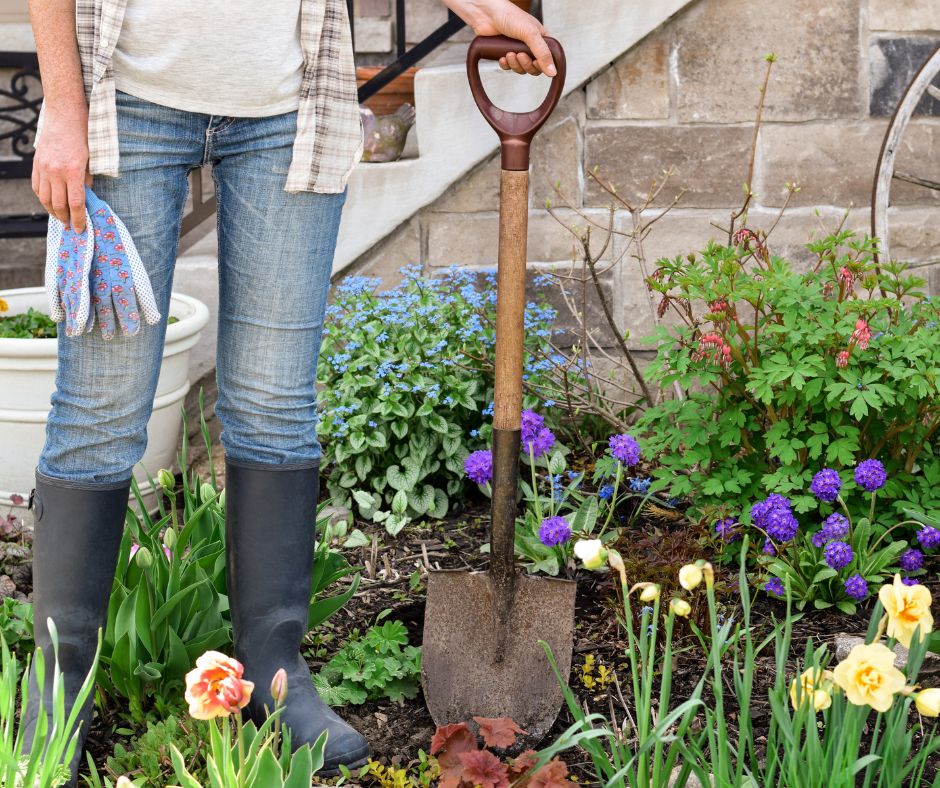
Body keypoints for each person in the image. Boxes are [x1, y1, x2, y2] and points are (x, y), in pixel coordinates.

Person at [24, 0, 556, 782]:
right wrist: (62, 112)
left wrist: (478, 6)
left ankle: (274, 673)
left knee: (274, 405)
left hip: (289, 109)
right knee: (101, 408)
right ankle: (59, 687)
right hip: (123, 103)